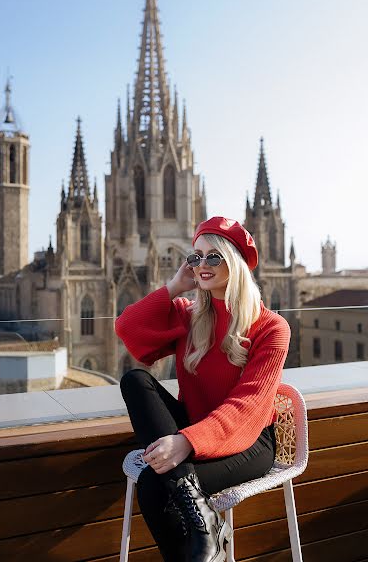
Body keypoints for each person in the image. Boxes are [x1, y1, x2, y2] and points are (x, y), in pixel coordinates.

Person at [116, 216, 291, 562]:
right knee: (134, 380)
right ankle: (205, 523)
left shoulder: (272, 327)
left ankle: (202, 528)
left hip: (249, 442)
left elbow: (247, 407)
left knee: (155, 484)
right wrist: (173, 287)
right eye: (195, 256)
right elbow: (128, 329)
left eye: (214, 256)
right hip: (196, 428)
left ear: (235, 262)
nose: (202, 265)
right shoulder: (190, 315)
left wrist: (185, 442)